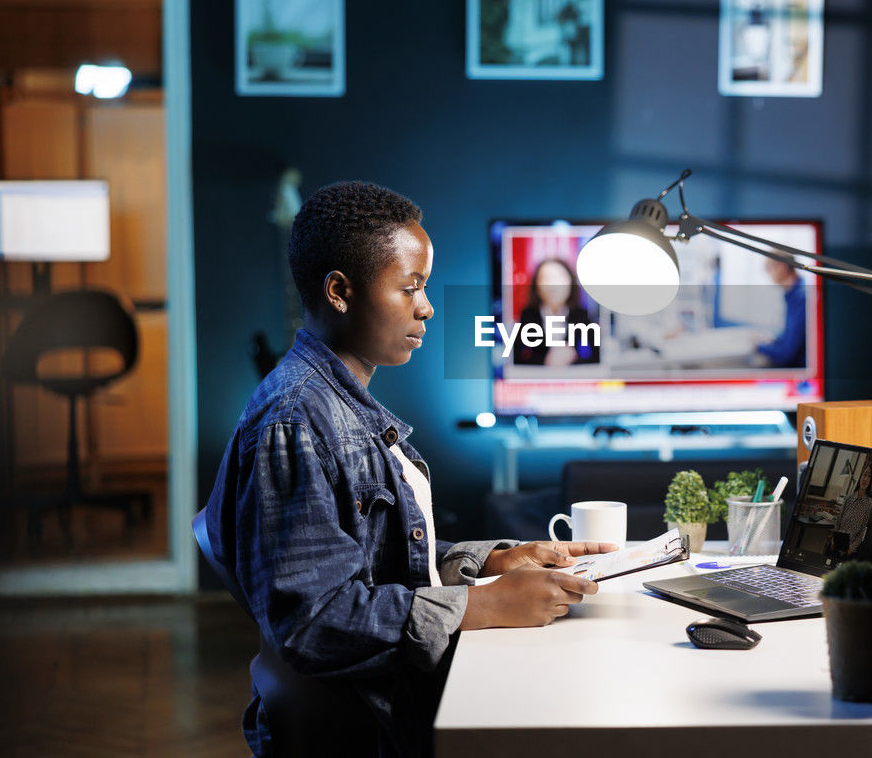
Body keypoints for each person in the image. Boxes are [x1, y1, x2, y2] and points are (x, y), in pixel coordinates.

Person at [204, 180, 615, 757]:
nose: (426, 306)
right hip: (377, 730)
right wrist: (486, 605)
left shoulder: (337, 403)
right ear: (341, 291)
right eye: (411, 287)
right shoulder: (296, 421)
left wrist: (490, 560)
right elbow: (314, 621)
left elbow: (371, 556)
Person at [512, 257, 600, 366]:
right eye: (546, 278)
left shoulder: (581, 315)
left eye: (559, 278)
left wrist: (572, 359)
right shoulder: (528, 316)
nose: (553, 285)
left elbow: (597, 357)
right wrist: (546, 361)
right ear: (537, 287)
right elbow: (515, 358)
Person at [753, 256, 807, 368]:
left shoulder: (801, 298)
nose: (768, 274)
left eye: (768, 268)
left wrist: (758, 346)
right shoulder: (792, 294)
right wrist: (773, 341)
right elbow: (790, 338)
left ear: (782, 267)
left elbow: (787, 355)